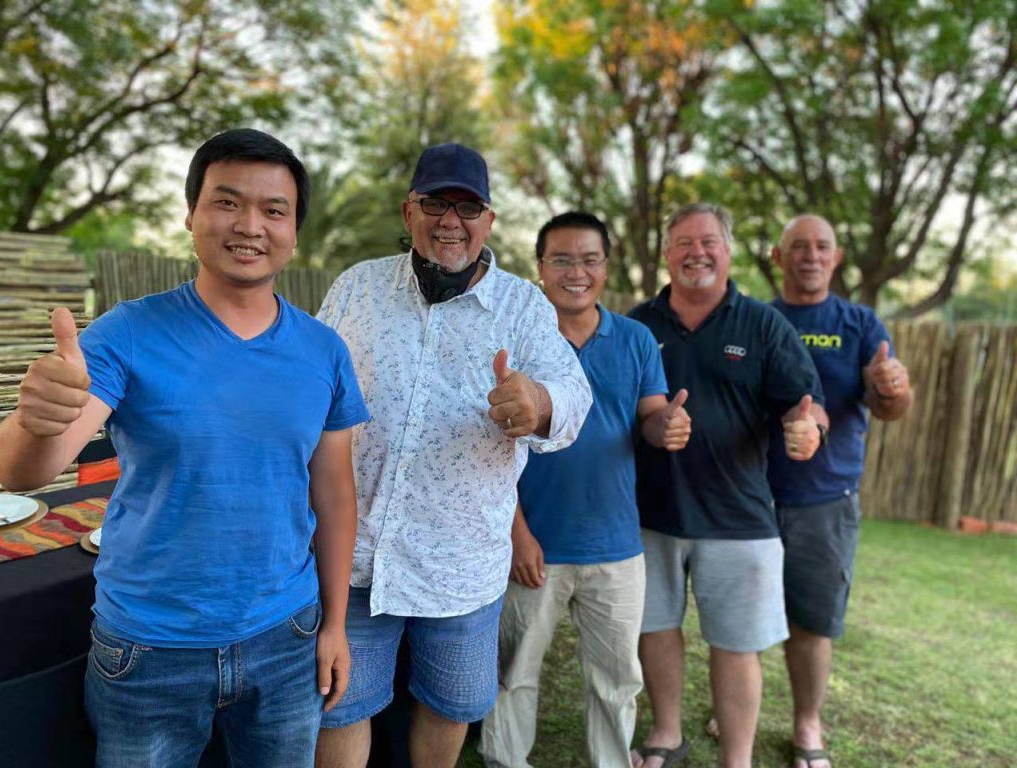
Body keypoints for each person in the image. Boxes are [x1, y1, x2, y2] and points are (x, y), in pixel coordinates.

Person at [0, 129, 369, 767]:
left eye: (273, 209)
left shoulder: (324, 350)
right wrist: (35, 420)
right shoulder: (127, 332)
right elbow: (25, 470)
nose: (250, 225)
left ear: (294, 231)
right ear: (191, 215)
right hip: (148, 648)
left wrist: (334, 625)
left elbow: (334, 494)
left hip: (287, 636)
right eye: (227, 202)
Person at [314, 143, 592, 768]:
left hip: (461, 565)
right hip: (355, 553)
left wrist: (538, 402)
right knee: (341, 702)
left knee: (452, 705)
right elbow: (310, 383)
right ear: (408, 211)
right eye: (436, 203)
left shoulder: (522, 306)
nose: (450, 221)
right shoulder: (357, 288)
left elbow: (575, 396)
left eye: (468, 208)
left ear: (488, 221)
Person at [479, 212, 690, 768]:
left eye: (590, 259)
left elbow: (649, 418)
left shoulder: (636, 339)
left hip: (616, 546)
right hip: (533, 546)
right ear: (540, 267)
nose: (577, 272)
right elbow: (486, 449)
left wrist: (666, 425)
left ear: (606, 267)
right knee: (513, 674)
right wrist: (518, 535)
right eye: (563, 260)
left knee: (617, 681)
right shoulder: (513, 340)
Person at [628, 202, 829, 768]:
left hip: (739, 517)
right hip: (650, 513)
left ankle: (736, 760)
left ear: (728, 251)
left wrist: (807, 431)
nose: (697, 252)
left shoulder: (763, 324)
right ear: (666, 254)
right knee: (655, 629)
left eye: (709, 241)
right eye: (684, 242)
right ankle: (666, 734)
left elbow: (808, 406)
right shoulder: (637, 325)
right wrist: (653, 425)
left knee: (737, 645)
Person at [768, 214, 912, 768]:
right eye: (798, 246)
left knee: (812, 620)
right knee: (745, 618)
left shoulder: (859, 322)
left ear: (836, 256)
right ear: (778, 257)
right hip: (752, 496)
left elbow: (888, 405)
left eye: (821, 246)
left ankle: (808, 724)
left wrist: (892, 387)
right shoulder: (759, 318)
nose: (810, 255)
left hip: (826, 498)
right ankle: (740, 706)